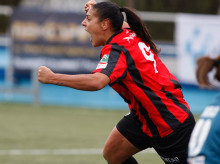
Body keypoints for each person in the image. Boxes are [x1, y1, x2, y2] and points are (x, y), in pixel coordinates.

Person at [38, 1, 195, 164]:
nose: (83, 23)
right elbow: (117, 19)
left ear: (105, 24)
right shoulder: (127, 31)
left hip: (169, 123)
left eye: (88, 19)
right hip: (143, 116)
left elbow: (97, 82)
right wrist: (98, 8)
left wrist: (52, 78)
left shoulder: (117, 49)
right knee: (113, 154)